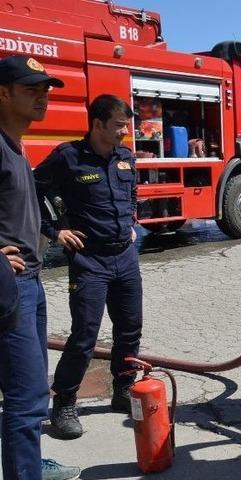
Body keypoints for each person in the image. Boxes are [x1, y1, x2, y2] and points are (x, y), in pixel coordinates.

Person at [34, 94, 142, 440]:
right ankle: (64, 402)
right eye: (119, 126)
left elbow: (132, 193)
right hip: (89, 260)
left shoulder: (125, 157)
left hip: (125, 256)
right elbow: (30, 192)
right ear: (97, 124)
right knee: (84, 335)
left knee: (129, 328)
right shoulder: (68, 157)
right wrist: (55, 231)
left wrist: (132, 220)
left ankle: (123, 389)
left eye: (126, 125)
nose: (125, 132)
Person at [0, 54, 81, 480]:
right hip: (10, 287)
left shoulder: (15, 144)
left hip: (29, 282)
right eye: (32, 90)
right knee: (26, 396)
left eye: (46, 89)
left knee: (30, 392)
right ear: (3, 92)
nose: (43, 98)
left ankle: (28, 463)